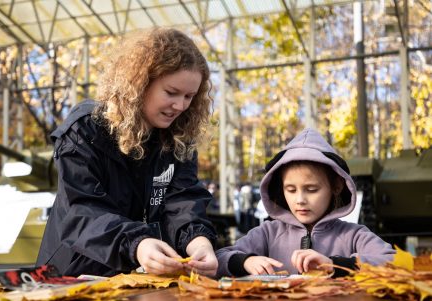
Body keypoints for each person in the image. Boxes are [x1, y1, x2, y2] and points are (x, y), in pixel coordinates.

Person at [36, 28, 218, 277]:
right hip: (71, 273)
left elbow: (182, 201)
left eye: (189, 96)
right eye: (171, 92)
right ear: (140, 83)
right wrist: (137, 244)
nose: (180, 106)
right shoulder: (85, 130)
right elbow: (81, 210)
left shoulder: (178, 139)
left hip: (135, 277)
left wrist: (197, 241)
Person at [215, 128, 395, 278]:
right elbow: (219, 258)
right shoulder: (268, 233)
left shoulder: (353, 235)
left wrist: (335, 265)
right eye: (291, 190)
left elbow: (393, 261)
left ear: (337, 187)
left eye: (311, 189)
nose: (300, 200)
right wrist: (245, 261)